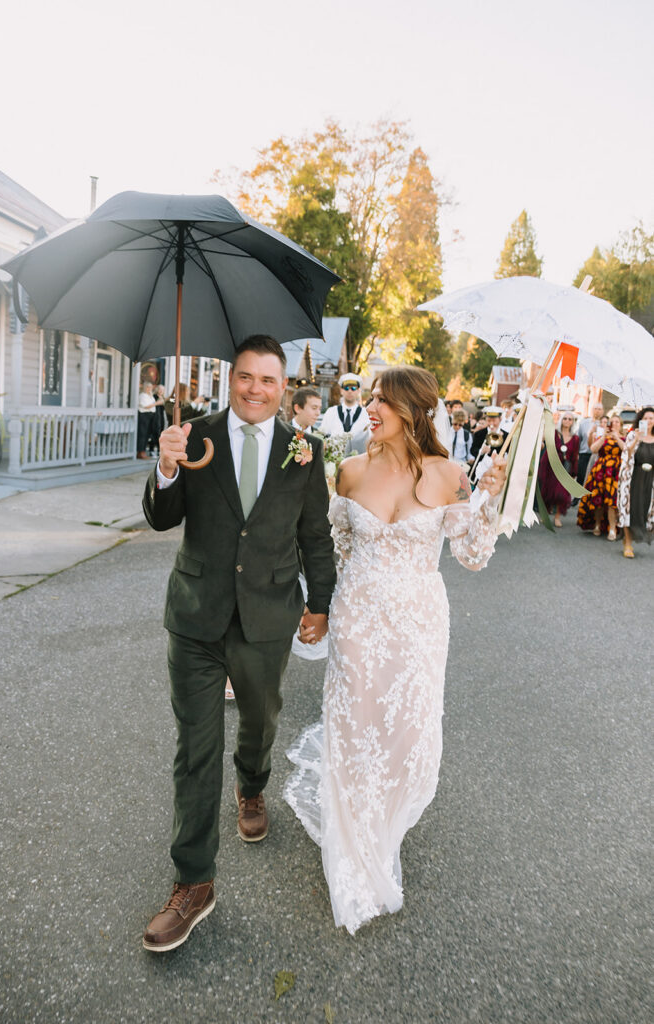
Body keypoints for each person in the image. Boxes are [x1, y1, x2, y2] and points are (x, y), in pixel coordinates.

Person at [284, 366, 506, 935]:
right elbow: (332, 550)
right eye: (370, 397)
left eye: (383, 399)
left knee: (407, 732)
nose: (370, 407)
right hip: (358, 617)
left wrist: (490, 500)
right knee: (356, 723)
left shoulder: (446, 473)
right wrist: (319, 611)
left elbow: (474, 555)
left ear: (413, 411)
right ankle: (356, 838)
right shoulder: (350, 472)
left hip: (418, 623)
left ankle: (386, 820)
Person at [141, 335, 336, 953]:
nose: (256, 388)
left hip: (269, 615)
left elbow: (316, 533)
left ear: (285, 389)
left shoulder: (305, 451)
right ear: (232, 381)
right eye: (245, 377)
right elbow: (161, 517)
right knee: (195, 747)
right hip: (196, 616)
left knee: (259, 717)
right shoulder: (190, 434)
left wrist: (320, 602)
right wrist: (167, 467)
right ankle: (194, 882)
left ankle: (252, 784)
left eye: (268, 380)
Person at [577, 413, 625, 540]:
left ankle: (612, 528)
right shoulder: (602, 436)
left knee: (612, 501)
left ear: (620, 425)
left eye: (617, 422)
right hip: (601, 470)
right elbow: (593, 449)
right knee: (598, 499)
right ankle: (597, 525)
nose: (614, 424)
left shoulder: (624, 437)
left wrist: (617, 437)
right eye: (612, 422)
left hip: (615, 472)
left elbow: (626, 451)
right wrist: (604, 436)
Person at [617, 406, 654, 557]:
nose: (648, 421)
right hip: (634, 477)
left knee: (646, 509)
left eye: (651, 418)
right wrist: (637, 440)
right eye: (645, 418)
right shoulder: (633, 435)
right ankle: (628, 543)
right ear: (640, 420)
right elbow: (626, 455)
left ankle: (639, 535)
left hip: (651, 478)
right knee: (630, 509)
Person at [537, 410, 579, 528]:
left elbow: (575, 456)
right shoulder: (555, 433)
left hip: (565, 469)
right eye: (565, 418)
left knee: (561, 494)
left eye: (570, 419)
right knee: (548, 492)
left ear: (573, 422)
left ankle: (557, 517)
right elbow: (543, 438)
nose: (567, 421)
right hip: (551, 466)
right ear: (561, 420)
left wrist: (574, 472)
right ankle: (544, 514)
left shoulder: (575, 438)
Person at [318, 372, 370, 450]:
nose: (349, 391)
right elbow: (322, 436)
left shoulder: (366, 414)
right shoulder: (331, 412)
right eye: (346, 388)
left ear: (359, 390)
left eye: (353, 388)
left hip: (358, 459)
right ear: (341, 390)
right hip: (333, 460)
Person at [575, 402, 604, 486]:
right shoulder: (584, 423)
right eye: (595, 409)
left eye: (599, 409)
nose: (597, 411)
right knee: (581, 477)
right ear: (592, 410)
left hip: (598, 455)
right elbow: (578, 439)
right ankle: (577, 498)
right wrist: (577, 454)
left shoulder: (604, 424)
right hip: (584, 454)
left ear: (602, 411)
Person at [137, 380, 164, 459]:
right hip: (145, 415)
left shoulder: (152, 396)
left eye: (151, 388)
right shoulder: (144, 395)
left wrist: (164, 399)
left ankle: (145, 451)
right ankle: (142, 451)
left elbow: (168, 401)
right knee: (143, 433)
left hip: (155, 417)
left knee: (149, 434)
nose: (149, 389)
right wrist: (157, 403)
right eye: (148, 387)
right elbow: (146, 406)